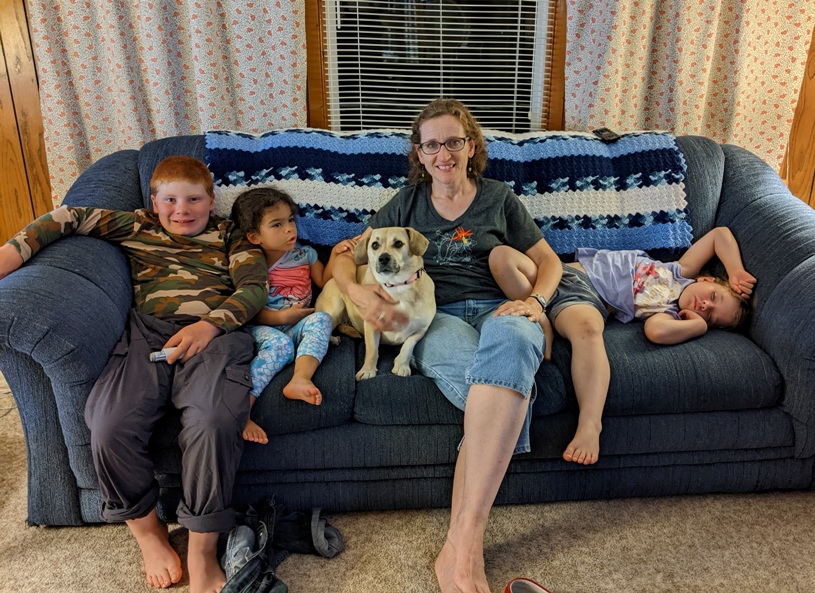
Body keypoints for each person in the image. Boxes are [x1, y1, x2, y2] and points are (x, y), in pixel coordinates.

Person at [0, 156, 269, 593]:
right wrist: (10, 256)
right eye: (170, 199)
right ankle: (148, 533)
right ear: (153, 201)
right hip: (147, 334)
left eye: (194, 199)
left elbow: (255, 287)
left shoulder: (231, 234)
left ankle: (202, 548)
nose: (182, 209)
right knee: (108, 424)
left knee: (213, 420)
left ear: (211, 199)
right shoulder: (136, 226)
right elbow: (65, 217)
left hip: (217, 332)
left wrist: (210, 325)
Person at [329, 97, 562, 593]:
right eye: (431, 145)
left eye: (453, 142)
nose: (443, 154)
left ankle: (462, 544)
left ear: (470, 145)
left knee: (514, 346)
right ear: (419, 152)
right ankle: (465, 554)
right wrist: (356, 292)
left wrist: (537, 303)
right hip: (438, 315)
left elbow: (550, 262)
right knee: (499, 392)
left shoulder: (499, 197)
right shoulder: (405, 203)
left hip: (503, 305)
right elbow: (344, 255)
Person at [491, 225, 756, 466]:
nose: (705, 306)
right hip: (557, 274)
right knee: (501, 257)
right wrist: (735, 271)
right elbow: (719, 235)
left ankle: (590, 425)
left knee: (588, 330)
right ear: (707, 280)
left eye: (710, 315)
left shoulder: (668, 311)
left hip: (584, 299)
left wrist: (696, 325)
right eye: (713, 297)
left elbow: (656, 331)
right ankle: (541, 315)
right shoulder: (681, 269)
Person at [230, 187, 354, 444]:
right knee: (280, 345)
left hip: (299, 324)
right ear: (254, 236)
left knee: (322, 319)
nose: (289, 229)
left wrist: (334, 254)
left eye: (290, 221)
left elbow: (322, 279)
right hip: (265, 326)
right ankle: (241, 411)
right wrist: (280, 319)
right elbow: (247, 308)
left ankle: (300, 378)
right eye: (276, 224)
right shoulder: (252, 263)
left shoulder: (305, 254)